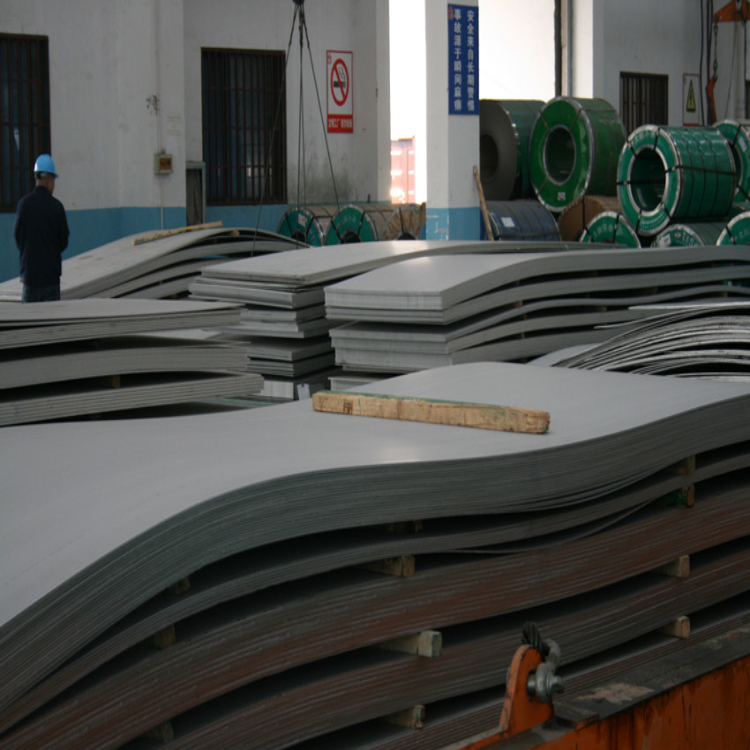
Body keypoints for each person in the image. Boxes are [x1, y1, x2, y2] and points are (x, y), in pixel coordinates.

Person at [13, 154, 70, 302]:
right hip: (50, 279)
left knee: (29, 317)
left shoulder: (23, 205)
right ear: (50, 181)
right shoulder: (57, 207)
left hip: (29, 278)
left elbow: (17, 237)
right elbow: (63, 241)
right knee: (51, 316)